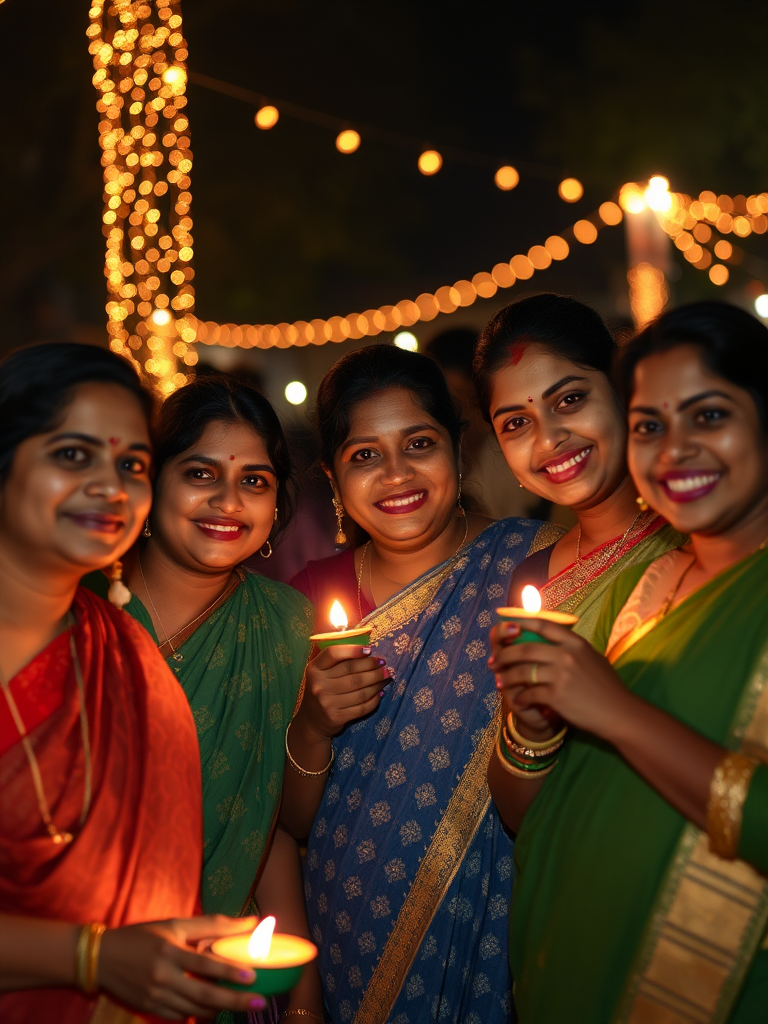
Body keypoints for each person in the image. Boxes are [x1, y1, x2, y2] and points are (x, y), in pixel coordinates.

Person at [489, 301, 768, 1022]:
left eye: (709, 416)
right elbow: (541, 810)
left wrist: (613, 709)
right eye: (653, 426)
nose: (674, 449)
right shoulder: (658, 583)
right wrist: (534, 719)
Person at [286, 344, 560, 1024]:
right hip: (351, 932)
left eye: (418, 443)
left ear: (459, 452)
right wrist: (314, 727)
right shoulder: (306, 601)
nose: (397, 474)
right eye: (365, 456)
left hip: (507, 929)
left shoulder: (536, 566)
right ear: (333, 478)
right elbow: (288, 824)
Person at [0, 343, 265, 1024]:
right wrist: (92, 957)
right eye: (71, 455)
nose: (110, 488)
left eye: (131, 465)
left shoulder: (123, 657)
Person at [84, 373, 323, 1024]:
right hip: (76, 968)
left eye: (254, 480)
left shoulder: (286, 627)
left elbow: (264, 823)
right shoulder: (75, 618)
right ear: (150, 483)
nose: (228, 500)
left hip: (226, 973)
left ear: (277, 507)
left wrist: (302, 996)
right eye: (200, 473)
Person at [474, 293, 684, 640]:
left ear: (623, 390)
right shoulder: (532, 581)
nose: (547, 440)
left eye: (569, 399)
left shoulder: (702, 530)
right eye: (516, 424)